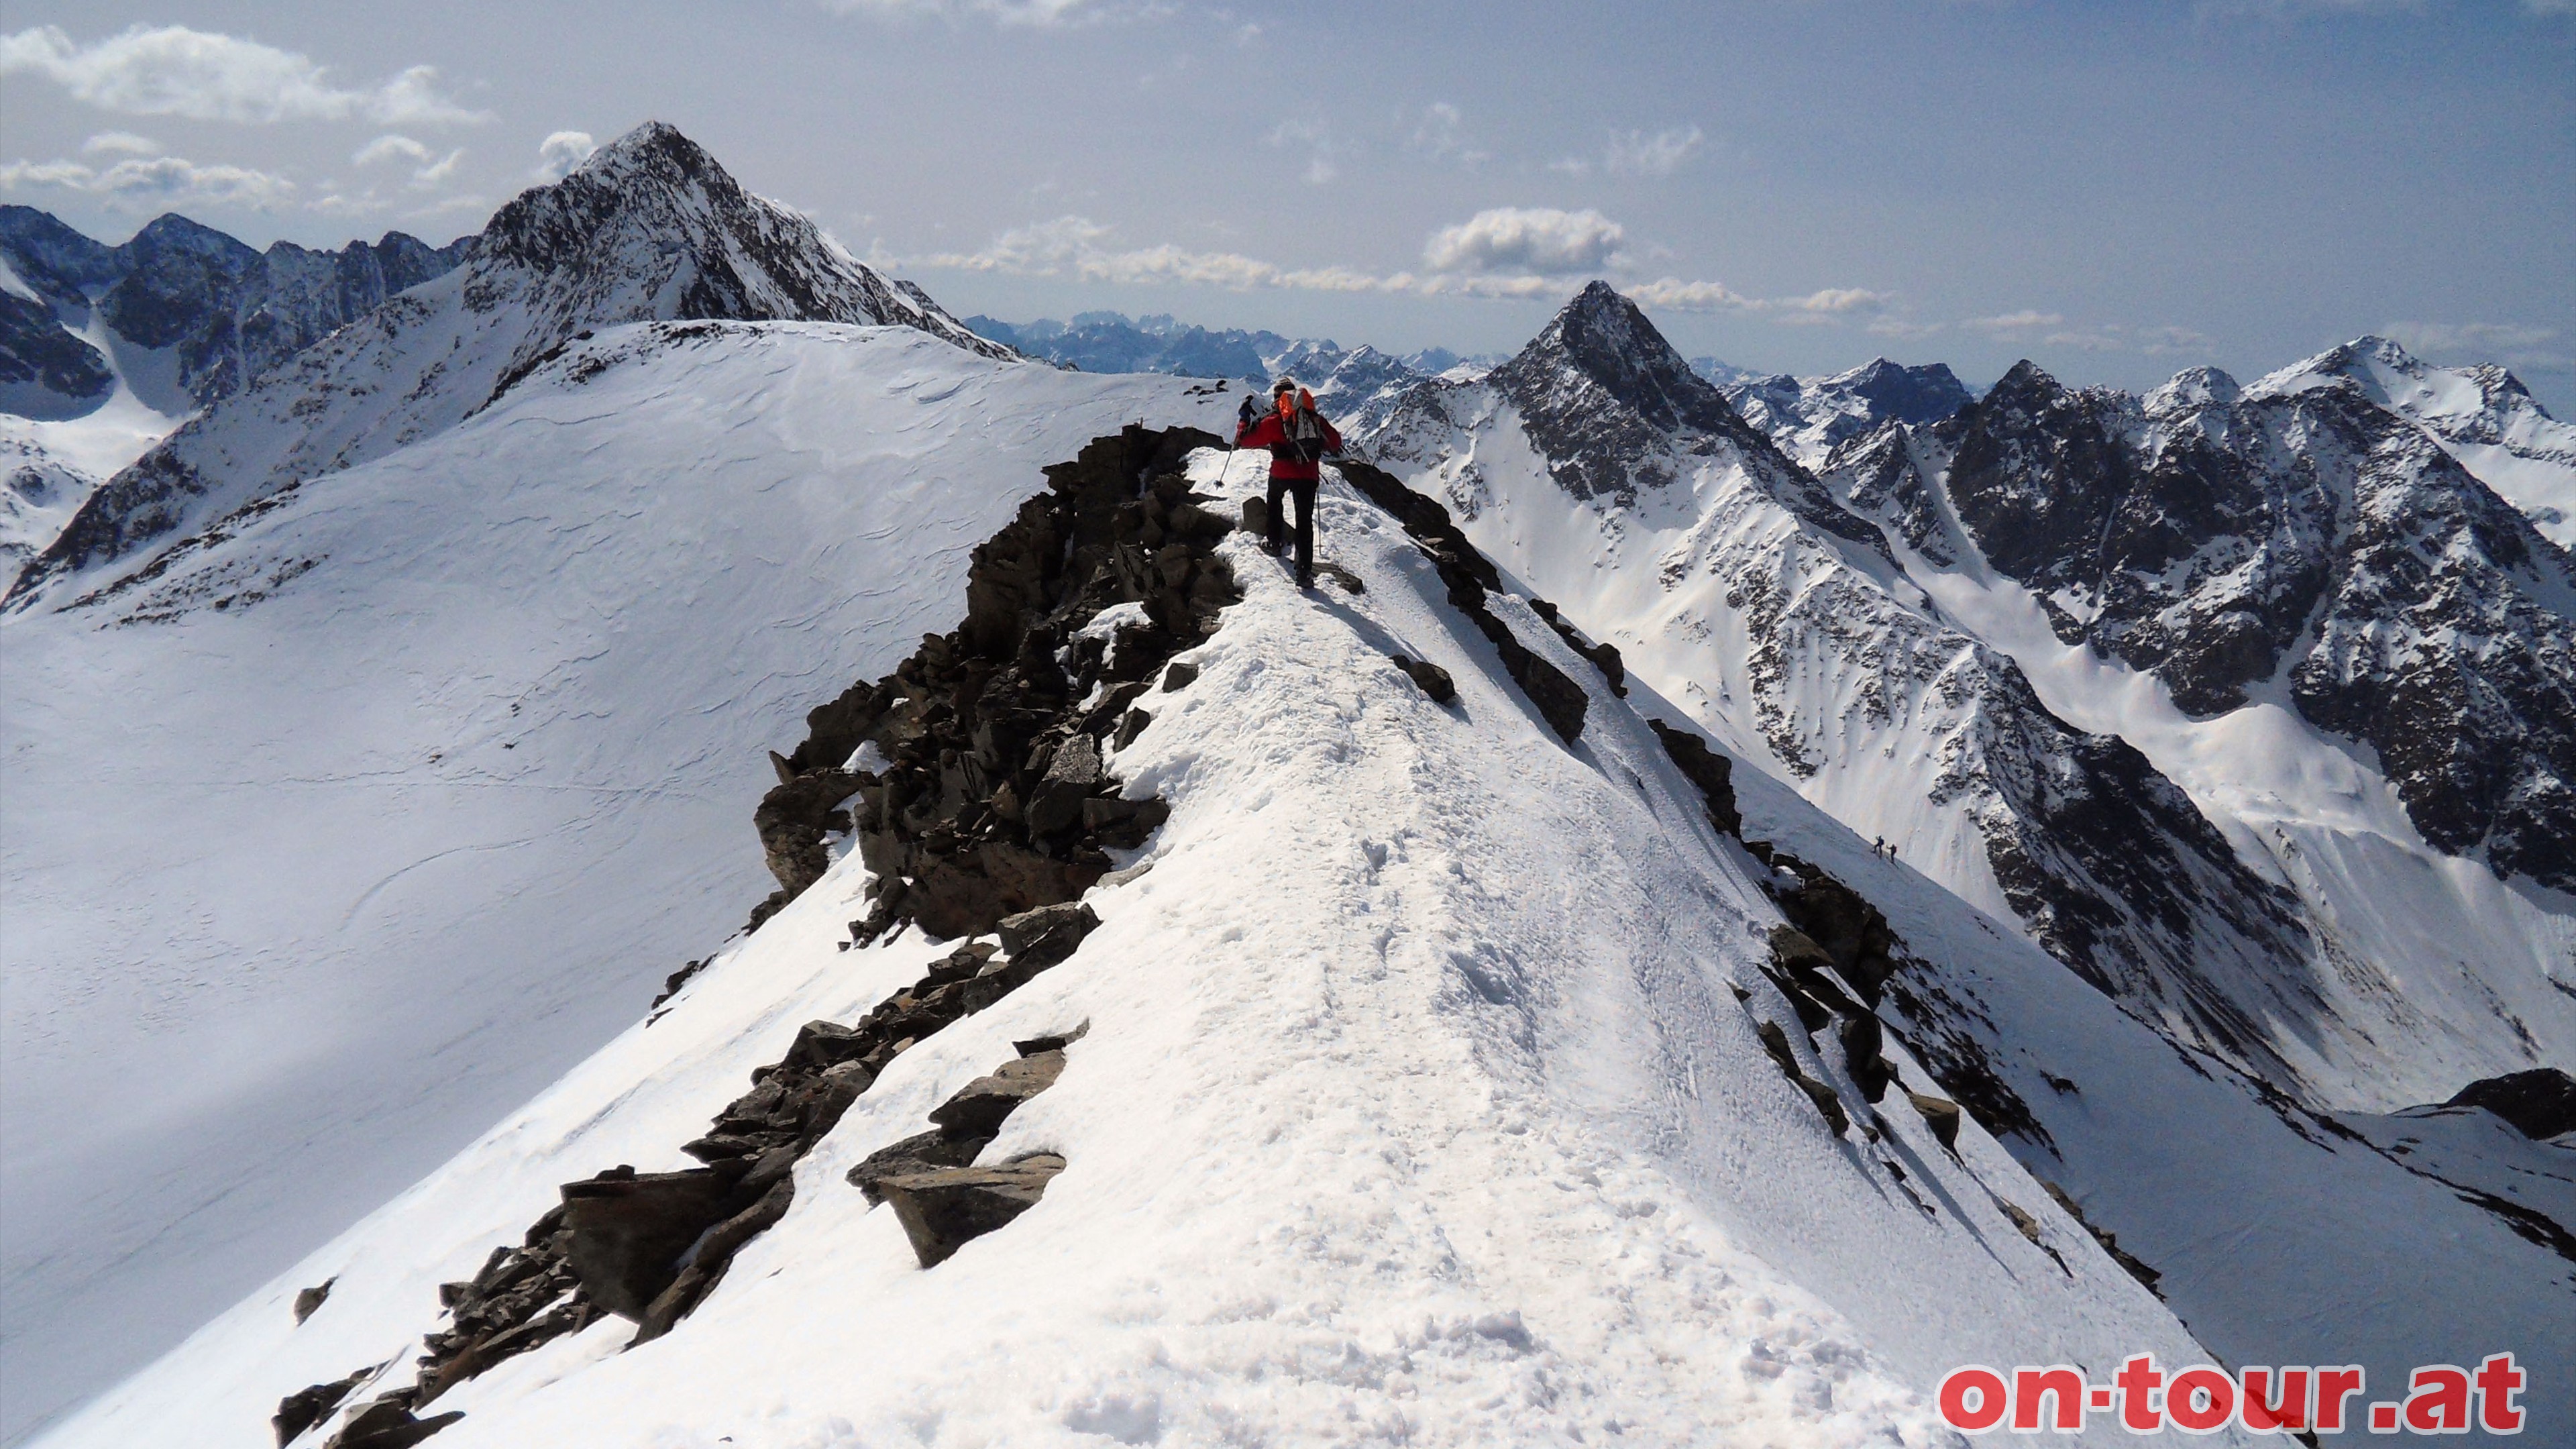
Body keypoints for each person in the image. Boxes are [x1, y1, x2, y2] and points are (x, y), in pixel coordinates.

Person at [1234, 377, 1342, 588]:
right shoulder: (1313, 418)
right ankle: (1304, 573)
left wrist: (1243, 419)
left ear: (1278, 399)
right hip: (1308, 475)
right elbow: (1335, 443)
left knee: (1274, 499)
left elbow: (1244, 440)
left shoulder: (1274, 420)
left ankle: (1274, 542)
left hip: (1281, 472)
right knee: (1304, 522)